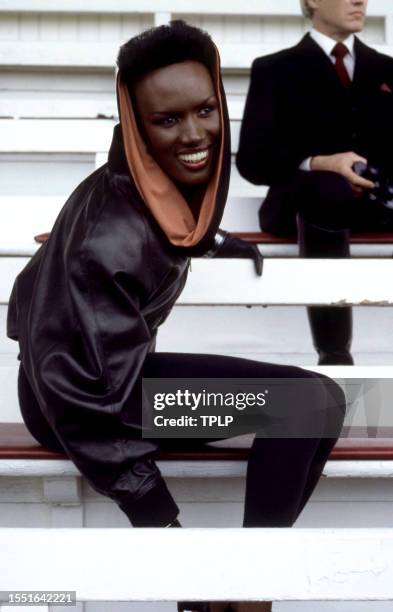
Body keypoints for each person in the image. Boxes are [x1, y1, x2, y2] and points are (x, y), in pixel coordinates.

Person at [7, 21, 345, 612]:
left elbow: (170, 225)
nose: (195, 134)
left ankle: (245, 584)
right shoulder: (108, 236)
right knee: (308, 403)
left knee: (320, 403)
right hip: (81, 399)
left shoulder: (152, 188)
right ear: (136, 128)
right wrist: (163, 532)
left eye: (206, 110)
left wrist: (213, 240)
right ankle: (238, 589)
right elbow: (71, 385)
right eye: (167, 120)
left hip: (117, 377)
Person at [237, 0, 393, 366]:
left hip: (376, 204)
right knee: (326, 188)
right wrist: (323, 163)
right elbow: (253, 161)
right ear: (312, 2)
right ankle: (335, 355)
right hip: (302, 204)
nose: (360, 1)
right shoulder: (274, 69)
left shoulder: (387, 70)